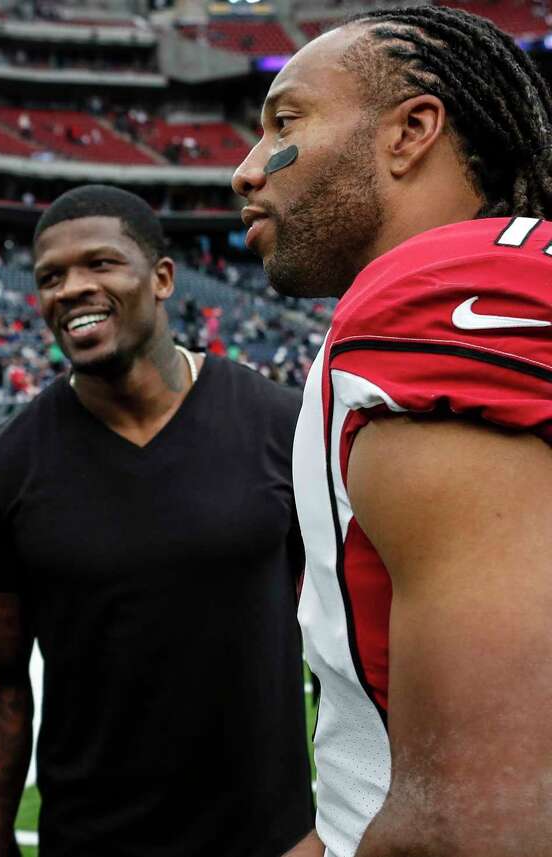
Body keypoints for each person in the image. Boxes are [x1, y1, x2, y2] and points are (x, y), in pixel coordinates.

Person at [231, 8, 552, 857]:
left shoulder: (447, 295)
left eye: (284, 122)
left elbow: (478, 823)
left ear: (411, 131)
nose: (245, 169)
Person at [0, 184, 313, 857]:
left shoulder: (280, 423)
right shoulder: (7, 466)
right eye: (50, 277)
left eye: (100, 263)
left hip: (270, 839)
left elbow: (345, 636)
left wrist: (331, 823)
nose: (71, 289)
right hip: (93, 840)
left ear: (162, 278)